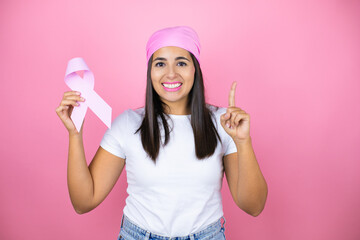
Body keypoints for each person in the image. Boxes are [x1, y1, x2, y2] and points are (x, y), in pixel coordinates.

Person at [56, 26, 268, 240]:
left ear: (195, 69)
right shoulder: (128, 124)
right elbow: (84, 202)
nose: (171, 73)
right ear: (150, 71)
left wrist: (243, 142)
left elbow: (254, 206)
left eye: (181, 63)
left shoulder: (223, 123)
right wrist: (75, 134)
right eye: (160, 64)